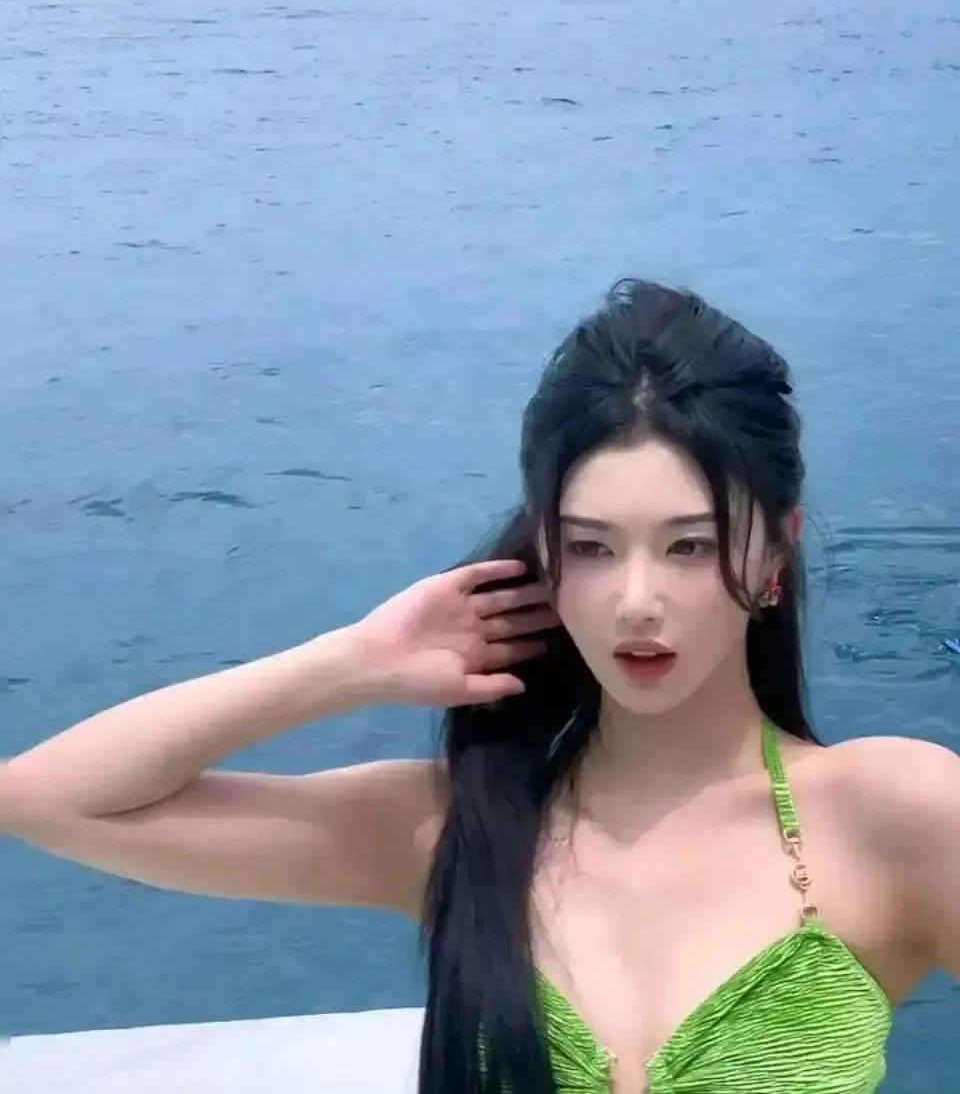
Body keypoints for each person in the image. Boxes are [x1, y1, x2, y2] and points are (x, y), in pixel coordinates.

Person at [2, 278, 958, 1094]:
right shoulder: (459, 828)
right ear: (544, 553)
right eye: (591, 547)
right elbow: (45, 800)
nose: (636, 601)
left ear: (776, 551)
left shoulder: (890, 817)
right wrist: (347, 665)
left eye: (689, 546)